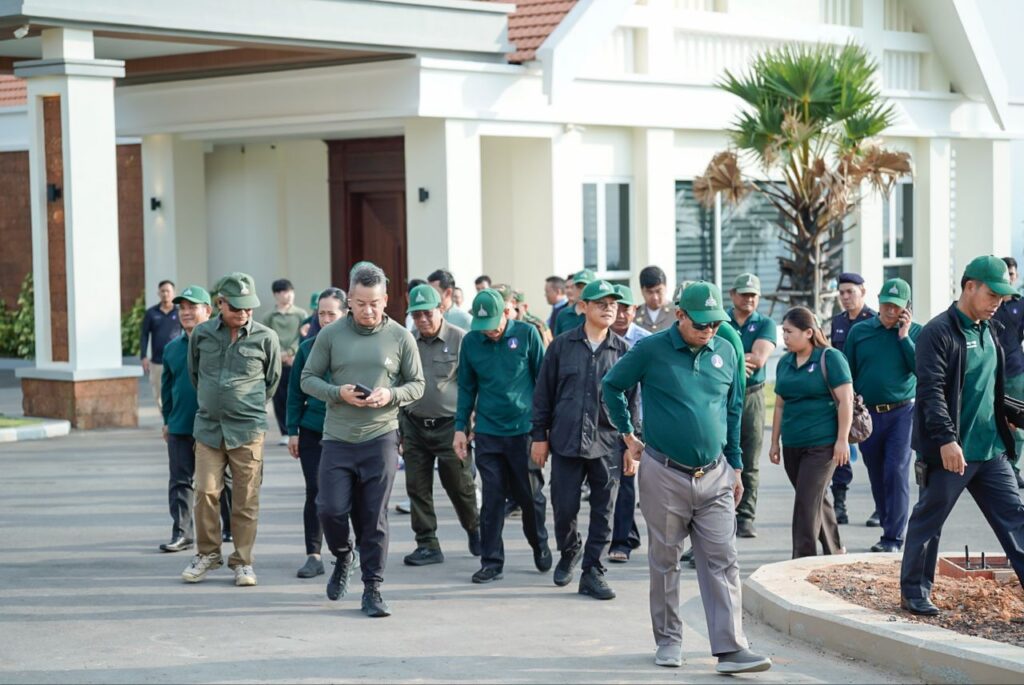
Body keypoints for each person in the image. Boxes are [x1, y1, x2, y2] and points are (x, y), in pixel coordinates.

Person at [602, 281, 770, 673]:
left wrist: (736, 466)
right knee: (666, 561)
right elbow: (612, 386)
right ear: (680, 315)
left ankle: (730, 649)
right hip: (664, 473)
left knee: (723, 560)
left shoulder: (726, 350)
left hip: (715, 475)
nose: (709, 330)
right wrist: (628, 436)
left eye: (715, 323)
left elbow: (733, 410)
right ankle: (669, 640)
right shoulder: (651, 349)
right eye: (701, 323)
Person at [900, 255, 1024, 617]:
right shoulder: (938, 332)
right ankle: (914, 592)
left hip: (991, 450)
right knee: (929, 521)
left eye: (1002, 296)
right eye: (992, 294)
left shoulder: (991, 329)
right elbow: (931, 391)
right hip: (952, 452)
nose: (998, 302)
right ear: (970, 287)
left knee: (1016, 520)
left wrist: (1011, 415)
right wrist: (945, 440)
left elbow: (988, 389)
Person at [301, 263, 424, 618]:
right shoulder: (331, 335)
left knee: (374, 516)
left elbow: (417, 384)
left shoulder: (400, 336)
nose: (368, 311)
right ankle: (344, 555)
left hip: (380, 437)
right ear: (349, 301)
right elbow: (307, 378)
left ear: (385, 300)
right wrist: (337, 392)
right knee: (329, 508)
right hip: (337, 438)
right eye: (360, 304)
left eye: (374, 303)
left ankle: (373, 588)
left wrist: (391, 395)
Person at [532, 280, 638, 600]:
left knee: (605, 510)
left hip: (608, 442)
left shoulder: (624, 351)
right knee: (564, 506)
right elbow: (543, 394)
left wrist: (632, 445)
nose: (609, 309)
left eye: (613, 304)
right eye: (601, 303)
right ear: (583, 307)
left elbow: (633, 402)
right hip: (566, 439)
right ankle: (570, 550)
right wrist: (539, 436)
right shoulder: (561, 346)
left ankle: (593, 570)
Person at [182, 273, 281, 587]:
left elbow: (271, 382)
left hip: (248, 430)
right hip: (209, 428)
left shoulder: (266, 337)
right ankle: (208, 554)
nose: (244, 313)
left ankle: (243, 561)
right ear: (220, 303)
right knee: (205, 492)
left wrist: (243, 404)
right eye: (237, 307)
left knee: (245, 499)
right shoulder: (201, 335)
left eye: (249, 307)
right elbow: (195, 375)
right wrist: (216, 401)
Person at [454, 288, 552, 584]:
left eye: (493, 325)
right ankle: (491, 561)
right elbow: (466, 387)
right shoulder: (471, 342)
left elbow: (544, 382)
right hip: (488, 432)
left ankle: (539, 543)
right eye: (483, 326)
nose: (489, 332)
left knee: (529, 496)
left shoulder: (527, 334)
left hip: (523, 431)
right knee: (492, 498)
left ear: (507, 313)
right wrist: (460, 428)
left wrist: (543, 431)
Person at [399, 284, 481, 566]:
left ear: (441, 309)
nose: (422, 320)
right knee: (416, 486)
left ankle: (474, 528)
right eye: (416, 315)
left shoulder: (461, 339)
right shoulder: (407, 342)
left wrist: (472, 423)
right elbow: (398, 384)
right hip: (414, 424)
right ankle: (427, 544)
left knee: (459, 484)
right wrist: (399, 428)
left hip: (450, 427)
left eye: (427, 313)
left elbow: (474, 384)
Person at [844, 278, 922, 552]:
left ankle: (893, 538)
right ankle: (888, 524)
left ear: (907, 308)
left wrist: (904, 337)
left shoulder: (916, 333)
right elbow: (848, 372)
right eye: (886, 304)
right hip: (867, 415)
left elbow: (920, 369)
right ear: (878, 302)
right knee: (877, 473)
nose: (890, 310)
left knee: (895, 471)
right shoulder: (860, 332)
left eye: (896, 306)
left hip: (902, 413)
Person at [768, 306, 850, 559]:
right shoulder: (785, 363)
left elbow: (846, 401)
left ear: (809, 333)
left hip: (822, 445)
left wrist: (842, 440)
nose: (785, 337)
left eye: (790, 332)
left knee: (806, 502)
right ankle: (835, 551)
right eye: (783, 332)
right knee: (814, 499)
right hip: (793, 443)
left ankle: (802, 559)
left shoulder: (829, 358)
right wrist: (774, 442)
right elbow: (779, 405)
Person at [158, 285, 232, 553]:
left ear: (208, 311)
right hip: (180, 425)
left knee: (221, 480)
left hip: (214, 425)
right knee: (180, 481)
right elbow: (167, 389)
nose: (186, 312)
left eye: (192, 307)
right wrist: (167, 420)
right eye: (182, 308)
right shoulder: (171, 349)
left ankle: (230, 527)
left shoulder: (221, 344)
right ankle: (182, 533)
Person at [287, 287, 348, 579]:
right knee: (315, 490)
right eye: (321, 313)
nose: (325, 319)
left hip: (347, 431)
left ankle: (348, 551)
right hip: (313, 430)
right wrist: (292, 430)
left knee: (347, 493)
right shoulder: (307, 348)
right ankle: (313, 554)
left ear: (345, 314)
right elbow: (294, 393)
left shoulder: (356, 347)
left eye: (331, 314)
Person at [726, 272, 777, 538]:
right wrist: (736, 363)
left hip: (752, 395)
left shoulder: (765, 323)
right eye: (744, 294)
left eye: (753, 295)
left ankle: (746, 515)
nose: (749, 299)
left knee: (750, 458)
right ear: (732, 294)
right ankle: (723, 513)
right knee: (719, 455)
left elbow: (758, 359)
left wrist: (727, 362)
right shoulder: (721, 320)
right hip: (723, 394)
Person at [828, 272, 877, 525]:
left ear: (863, 292)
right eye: (842, 293)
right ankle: (840, 505)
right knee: (840, 450)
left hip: (867, 398)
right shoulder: (837, 321)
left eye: (850, 292)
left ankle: (882, 507)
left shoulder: (875, 320)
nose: (845, 297)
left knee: (874, 456)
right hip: (841, 397)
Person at [607, 284, 651, 563]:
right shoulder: (599, 338)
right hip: (603, 422)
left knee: (626, 480)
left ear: (635, 310)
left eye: (628, 309)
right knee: (608, 483)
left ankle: (621, 541)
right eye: (618, 308)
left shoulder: (646, 342)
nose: (622, 315)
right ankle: (627, 533)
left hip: (637, 421)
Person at [263, 279, 308, 446]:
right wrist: (279, 354)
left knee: (297, 396)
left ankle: (297, 429)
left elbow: (302, 336)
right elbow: (267, 336)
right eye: (283, 292)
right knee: (279, 398)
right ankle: (285, 432)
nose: (287, 295)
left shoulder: (301, 314)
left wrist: (291, 353)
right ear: (276, 295)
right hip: (277, 361)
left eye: (290, 291)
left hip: (295, 360)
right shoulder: (269, 316)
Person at [993, 257, 1024, 488]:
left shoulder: (1020, 305)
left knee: (1017, 424)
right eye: (1006, 274)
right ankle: (994, 466)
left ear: (1016, 276)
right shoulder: (989, 303)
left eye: (1012, 274)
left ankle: (1012, 469)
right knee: (990, 421)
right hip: (990, 372)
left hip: (1015, 372)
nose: (1009, 278)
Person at [140, 280, 180, 410]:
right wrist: (143, 356)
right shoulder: (151, 313)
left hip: (177, 360)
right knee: (159, 395)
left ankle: (174, 418)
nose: (165, 294)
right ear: (158, 293)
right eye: (162, 291)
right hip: (157, 361)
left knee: (176, 392)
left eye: (168, 291)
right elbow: (144, 335)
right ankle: (166, 418)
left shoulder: (179, 312)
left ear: (174, 293)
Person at [553, 270, 594, 336]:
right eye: (579, 287)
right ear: (573, 288)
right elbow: (556, 341)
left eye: (586, 287)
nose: (582, 291)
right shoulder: (563, 314)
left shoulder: (597, 315)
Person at [635, 265, 674, 334]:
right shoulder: (634, 314)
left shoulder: (677, 312)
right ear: (642, 291)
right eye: (649, 292)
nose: (655, 297)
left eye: (658, 291)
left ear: (666, 288)